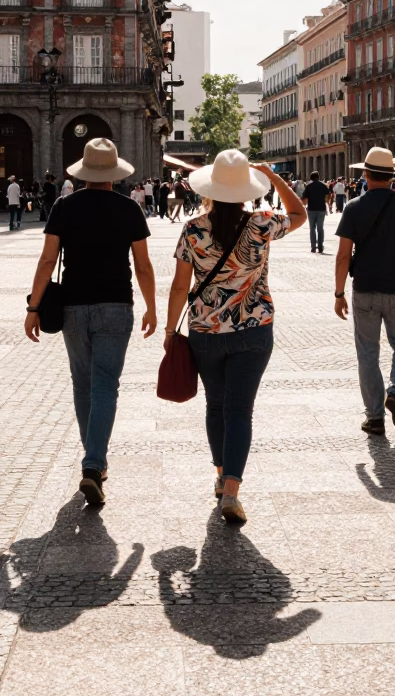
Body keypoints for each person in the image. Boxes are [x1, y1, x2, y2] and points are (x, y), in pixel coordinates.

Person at [164, 151, 306, 523]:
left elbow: (180, 285)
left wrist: (168, 330)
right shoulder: (261, 223)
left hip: (205, 331)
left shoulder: (193, 228)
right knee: (240, 410)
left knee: (215, 405)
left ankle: (219, 473)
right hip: (254, 328)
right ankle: (231, 490)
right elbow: (300, 214)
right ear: (246, 191)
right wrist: (273, 178)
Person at [25, 138, 157, 507]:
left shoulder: (64, 206)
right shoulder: (129, 208)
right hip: (116, 304)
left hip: (73, 306)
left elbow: (47, 261)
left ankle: (94, 463)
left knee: (82, 385)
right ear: (114, 175)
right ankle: (93, 463)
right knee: (105, 386)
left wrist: (34, 307)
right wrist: (152, 307)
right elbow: (143, 266)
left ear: (83, 174)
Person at [334, 146, 395, 435]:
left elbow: (342, 256)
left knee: (367, 353)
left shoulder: (353, 207)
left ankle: (374, 417)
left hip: (364, 289)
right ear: (391, 177)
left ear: (365, 175)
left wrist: (339, 293)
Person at [303, 170, 330, 253]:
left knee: (312, 228)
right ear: (318, 177)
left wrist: (305, 206)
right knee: (320, 228)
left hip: (311, 209)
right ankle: (321, 246)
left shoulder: (309, 186)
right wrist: (327, 203)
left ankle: (313, 247)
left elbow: (305, 198)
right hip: (321, 209)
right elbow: (328, 195)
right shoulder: (323, 185)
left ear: (311, 178)